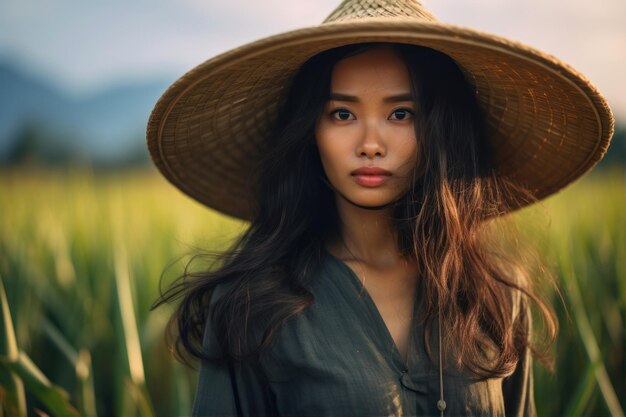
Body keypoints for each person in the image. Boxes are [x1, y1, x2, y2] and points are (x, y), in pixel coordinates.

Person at [147, 1, 614, 416]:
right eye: (343, 114)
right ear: (311, 131)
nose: (370, 144)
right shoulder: (253, 304)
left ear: (439, 130)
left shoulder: (494, 296)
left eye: (401, 114)